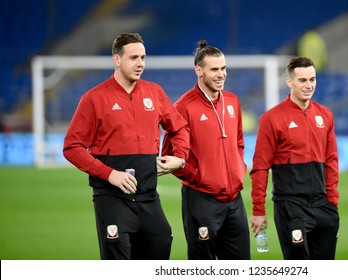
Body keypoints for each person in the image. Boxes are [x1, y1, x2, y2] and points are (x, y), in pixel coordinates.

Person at [63, 33, 189, 260]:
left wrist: (179, 158)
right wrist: (110, 174)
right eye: (133, 58)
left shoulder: (155, 92)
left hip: (148, 196)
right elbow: (72, 147)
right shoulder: (94, 98)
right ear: (117, 60)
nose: (140, 63)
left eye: (143, 57)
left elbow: (180, 128)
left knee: (161, 244)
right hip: (112, 198)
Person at [161, 40, 250, 260]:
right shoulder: (183, 107)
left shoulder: (233, 101)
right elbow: (169, 155)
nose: (221, 74)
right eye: (214, 69)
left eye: (223, 68)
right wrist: (200, 177)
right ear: (199, 71)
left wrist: (239, 168)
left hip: (234, 200)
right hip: (201, 200)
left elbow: (239, 142)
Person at [250, 56, 340, 260]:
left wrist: (332, 202)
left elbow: (332, 161)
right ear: (289, 82)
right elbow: (260, 167)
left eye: (312, 79)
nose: (309, 85)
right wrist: (258, 209)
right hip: (290, 207)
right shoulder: (272, 118)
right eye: (302, 80)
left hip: (323, 206)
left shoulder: (325, 115)